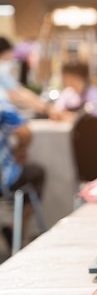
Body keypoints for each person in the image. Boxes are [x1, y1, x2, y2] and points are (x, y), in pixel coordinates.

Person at [0, 97, 45, 248]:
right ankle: (17, 229)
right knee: (37, 173)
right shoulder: (2, 105)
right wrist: (21, 149)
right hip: (4, 181)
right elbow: (25, 133)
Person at [0, 36, 48, 116]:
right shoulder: (3, 71)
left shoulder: (3, 73)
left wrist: (44, 106)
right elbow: (14, 95)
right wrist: (45, 108)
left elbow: (18, 90)